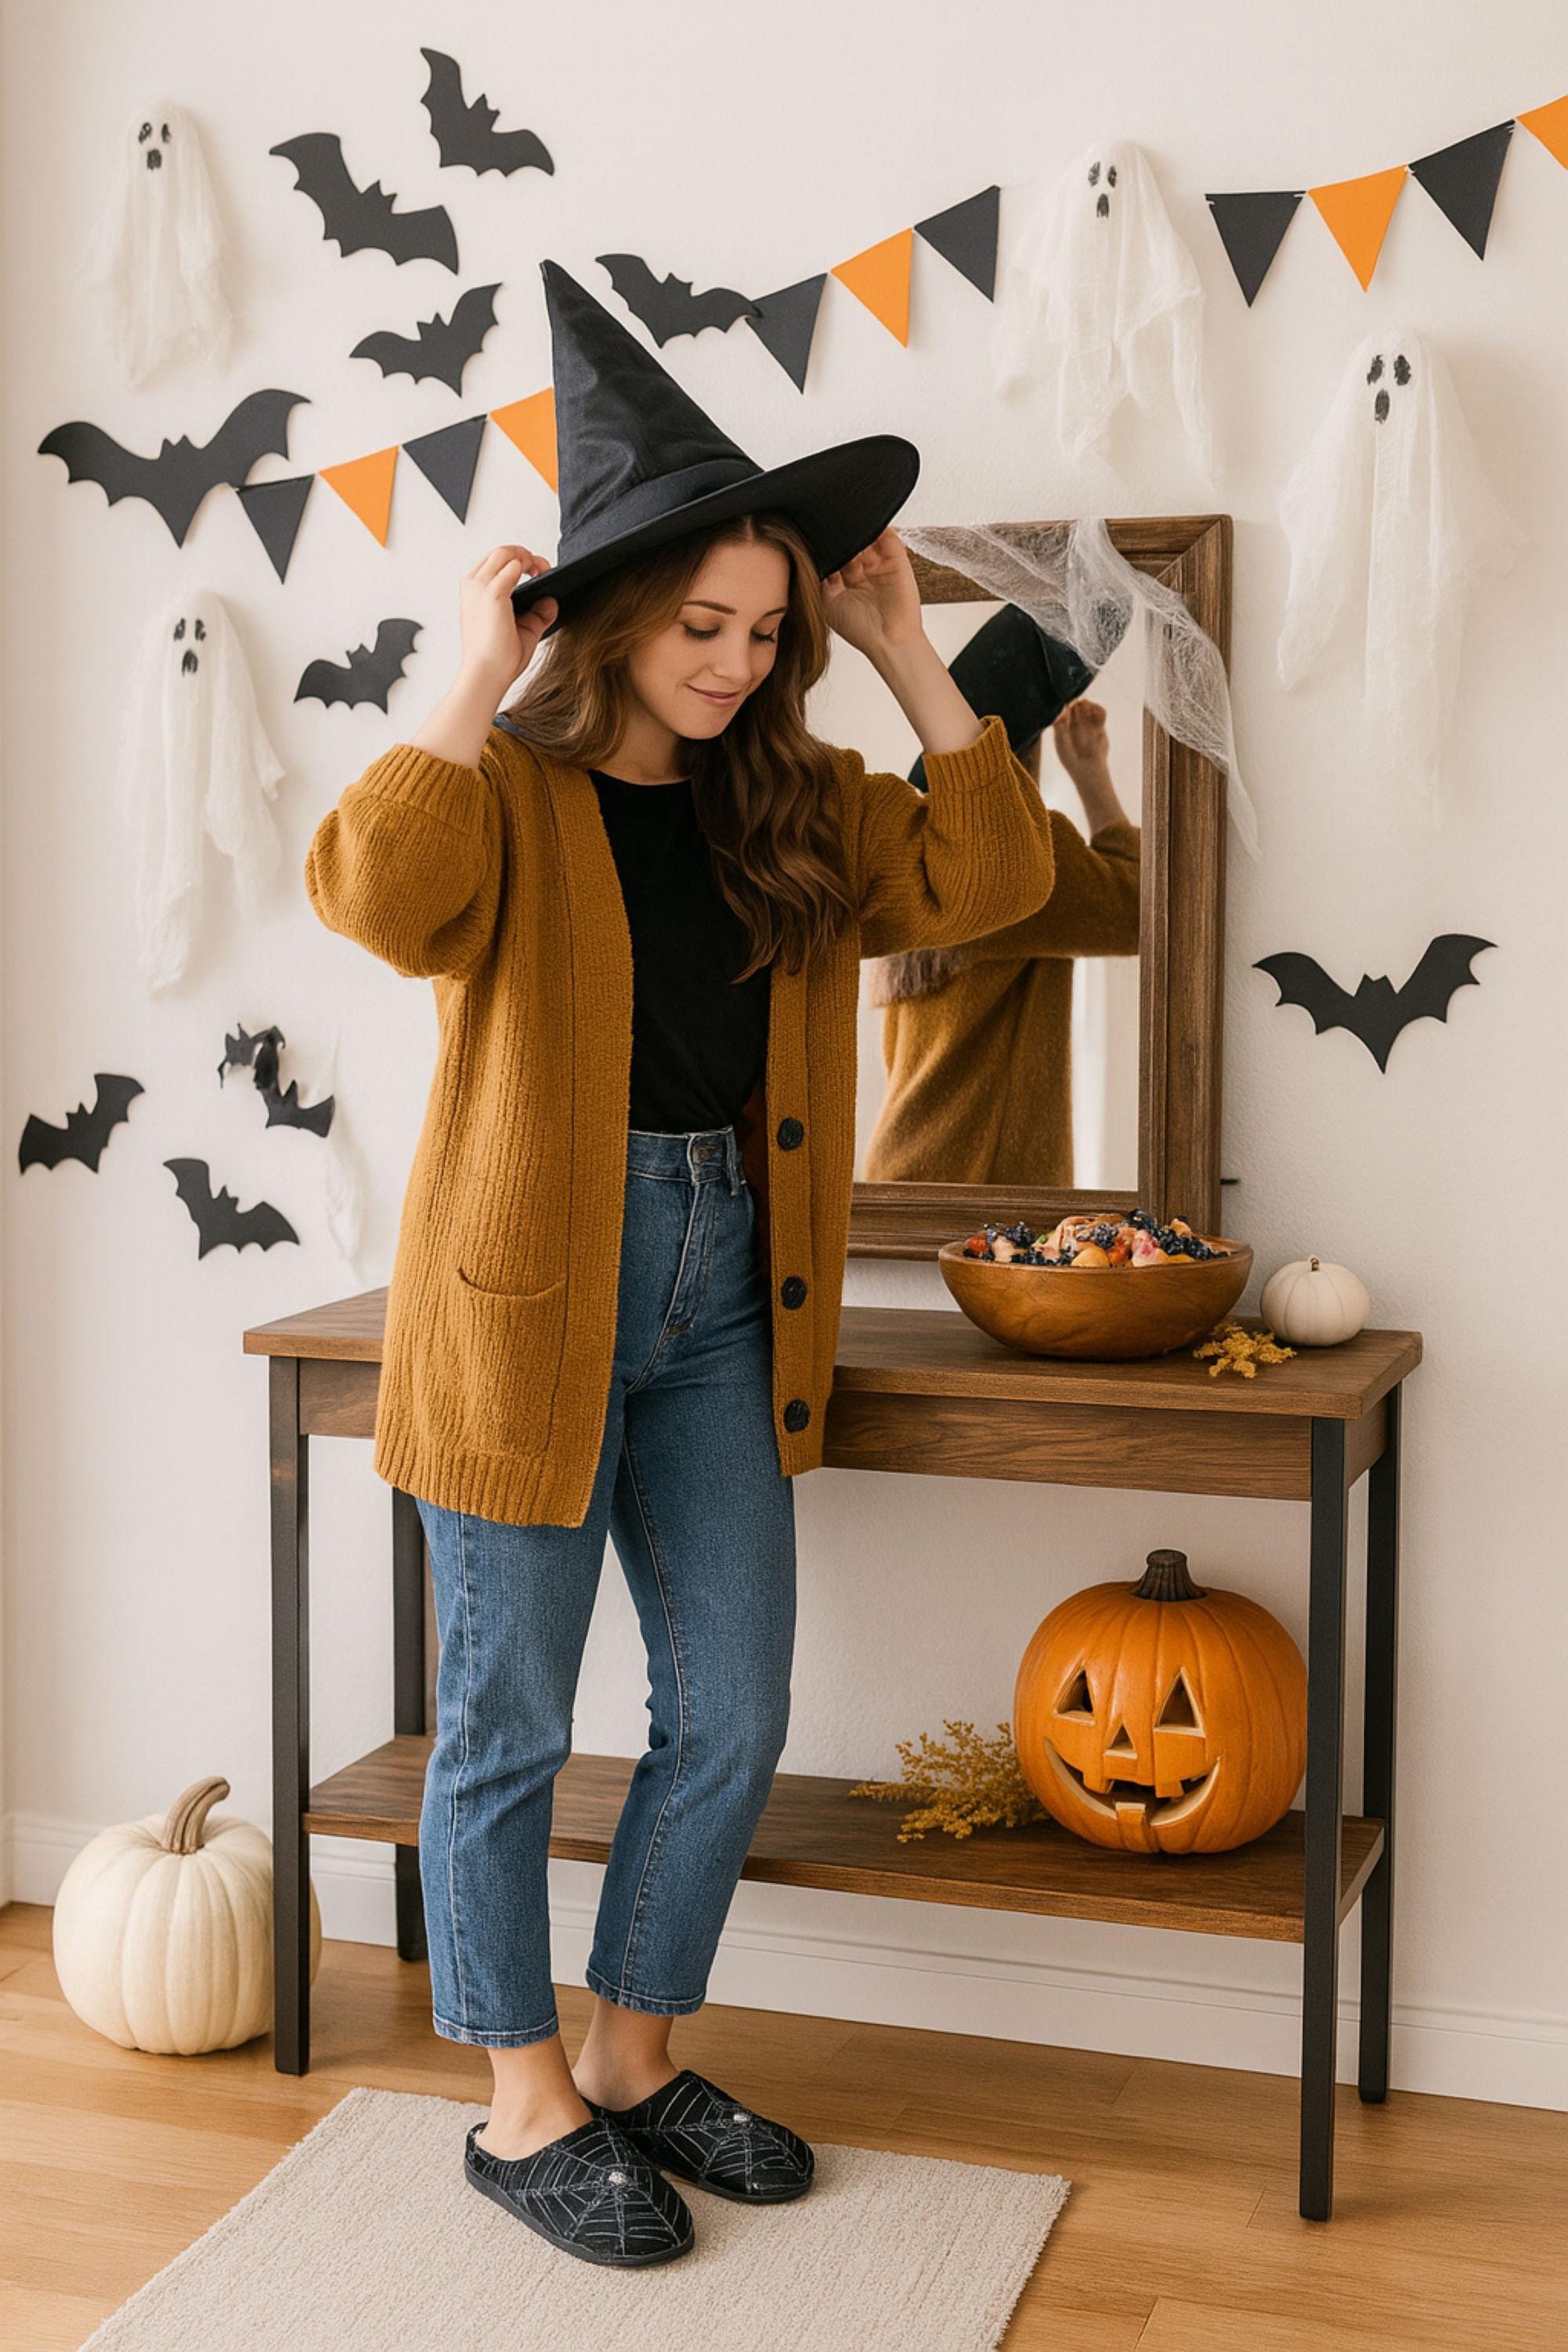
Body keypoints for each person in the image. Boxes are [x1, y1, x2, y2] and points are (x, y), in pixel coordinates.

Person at [303, 260, 1060, 2269]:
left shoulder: (791, 800)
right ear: (614, 619)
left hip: (729, 1285)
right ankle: (520, 2096)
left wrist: (906, 652)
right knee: (511, 1728)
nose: (734, 661)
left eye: (764, 628)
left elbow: (996, 875)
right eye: (702, 626)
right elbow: (368, 886)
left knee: (730, 1707)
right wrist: (470, 666)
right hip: (523, 1296)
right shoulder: (515, 800)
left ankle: (636, 2057)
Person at [863, 694, 1140, 1185]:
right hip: (983, 1182)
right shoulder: (1013, 867)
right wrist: (1091, 772)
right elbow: (1141, 908)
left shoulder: (912, 854)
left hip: (903, 1168)